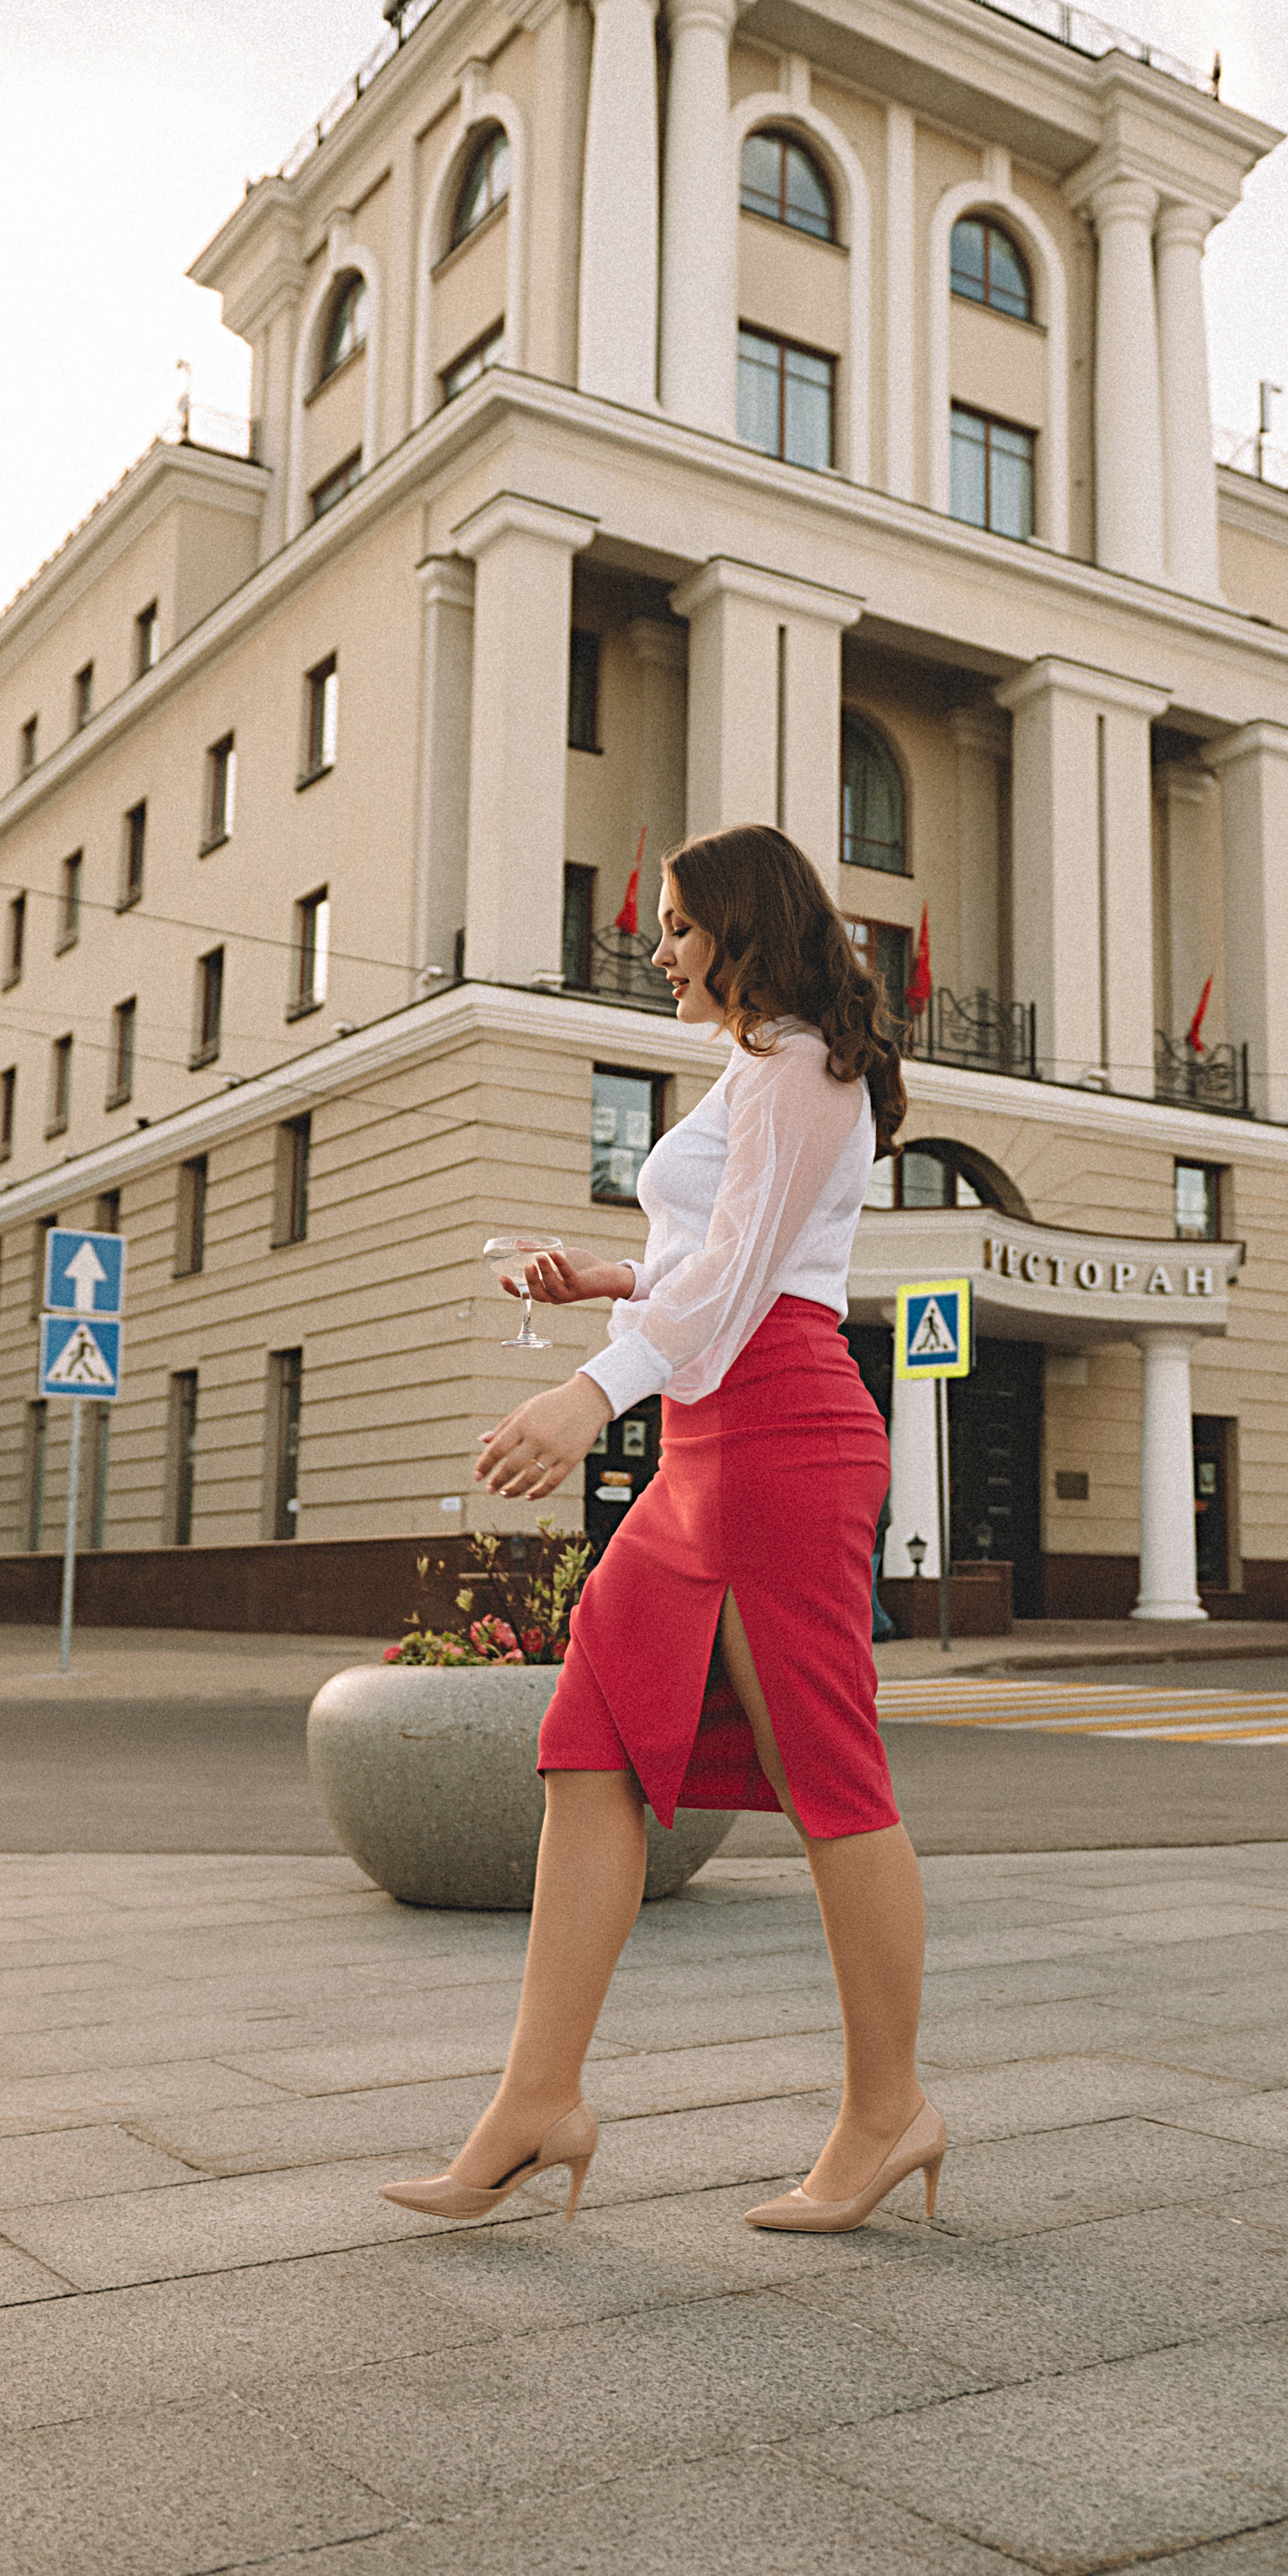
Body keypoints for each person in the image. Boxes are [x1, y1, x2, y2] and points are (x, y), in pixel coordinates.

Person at [383, 823, 944, 2237]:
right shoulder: (755, 1069)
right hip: (707, 1439)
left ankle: (891, 2114)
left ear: (747, 931)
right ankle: (537, 2105)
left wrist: (590, 1389)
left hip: (780, 1439)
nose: (661, 947)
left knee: (830, 1777)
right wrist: (613, 1279)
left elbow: (755, 1280)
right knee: (586, 1745)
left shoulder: (809, 1063)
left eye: (683, 926)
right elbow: (717, 1261)